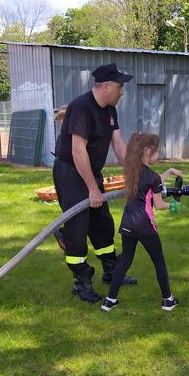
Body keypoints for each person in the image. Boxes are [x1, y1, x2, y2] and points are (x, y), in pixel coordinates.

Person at [52, 62, 137, 304]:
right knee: (78, 229)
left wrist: (133, 174)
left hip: (90, 171)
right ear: (107, 86)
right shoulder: (81, 108)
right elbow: (78, 151)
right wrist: (91, 188)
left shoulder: (110, 109)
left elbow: (119, 145)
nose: (122, 91)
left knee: (102, 223)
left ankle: (112, 270)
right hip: (70, 172)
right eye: (120, 86)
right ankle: (81, 282)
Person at [101, 132, 181, 312]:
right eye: (157, 152)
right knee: (159, 262)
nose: (158, 155)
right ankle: (168, 300)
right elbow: (159, 205)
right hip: (145, 226)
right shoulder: (151, 176)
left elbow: (153, 183)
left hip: (127, 224)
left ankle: (110, 300)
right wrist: (173, 206)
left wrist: (168, 172)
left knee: (124, 262)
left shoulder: (132, 171)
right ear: (148, 152)